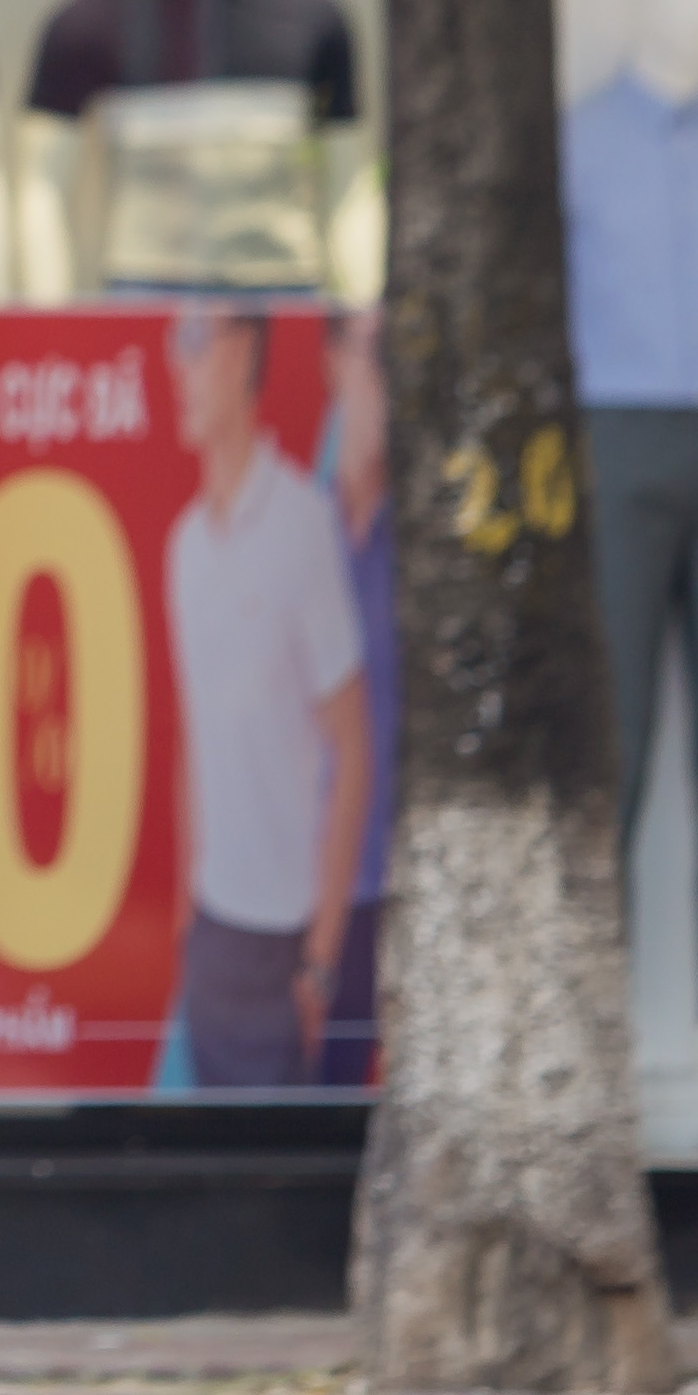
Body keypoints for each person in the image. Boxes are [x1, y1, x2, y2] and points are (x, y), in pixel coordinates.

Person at [160, 308, 369, 1088]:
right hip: (214, 937)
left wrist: (320, 958)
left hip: (288, 948)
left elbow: (352, 749)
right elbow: (195, 737)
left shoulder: (301, 526)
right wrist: (188, 919)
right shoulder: (185, 546)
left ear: (243, 352)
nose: (175, 368)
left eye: (192, 342)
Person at [319, 306, 395, 1085]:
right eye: (373, 360)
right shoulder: (306, 531)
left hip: (403, 879)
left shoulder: (429, 537)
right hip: (314, 898)